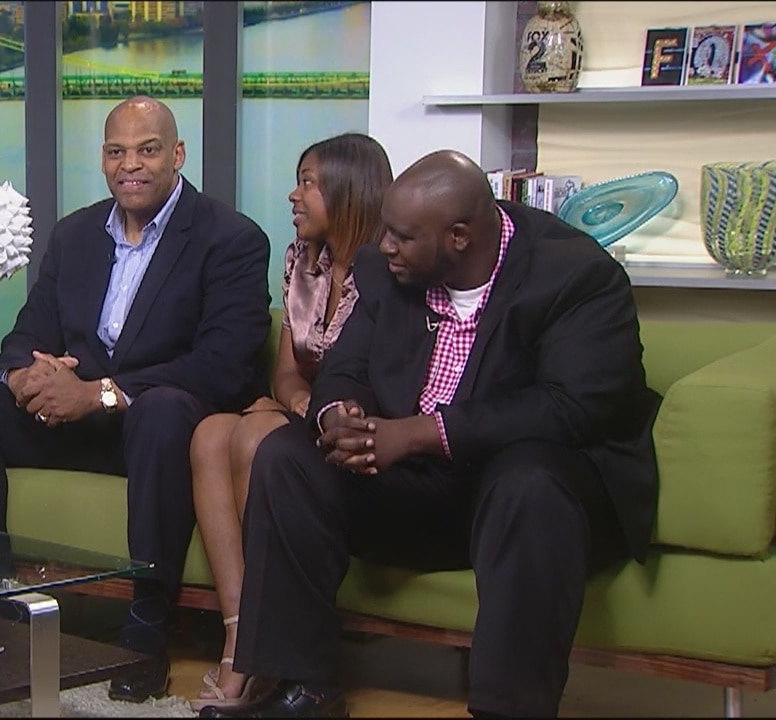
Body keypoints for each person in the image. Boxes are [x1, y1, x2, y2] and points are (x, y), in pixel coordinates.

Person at [202, 150, 662, 719]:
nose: (384, 246)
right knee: (287, 456)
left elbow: (574, 408)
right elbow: (344, 367)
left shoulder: (574, 274)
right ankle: (304, 689)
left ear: (459, 238)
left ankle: (507, 710)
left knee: (530, 482)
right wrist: (339, 415)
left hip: (517, 497)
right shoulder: (385, 271)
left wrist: (422, 434)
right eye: (385, 231)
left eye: (402, 237)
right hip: (413, 488)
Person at [0, 95, 272, 702]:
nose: (129, 165)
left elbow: (223, 364)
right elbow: (26, 334)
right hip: (68, 424)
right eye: (116, 151)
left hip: (155, 431)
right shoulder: (75, 234)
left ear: (177, 155)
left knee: (163, 411)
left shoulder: (230, 239)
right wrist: (24, 377)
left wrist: (101, 394)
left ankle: (145, 630)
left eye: (147, 150)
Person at [187, 133, 393, 711]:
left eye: (308, 183)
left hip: (356, 427)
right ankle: (239, 638)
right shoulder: (302, 261)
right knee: (210, 434)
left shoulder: (389, 273)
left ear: (349, 192)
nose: (293, 195)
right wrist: (300, 405)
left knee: (256, 434)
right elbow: (286, 372)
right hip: (307, 411)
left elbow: (386, 384)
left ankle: (274, 653)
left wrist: (313, 412)